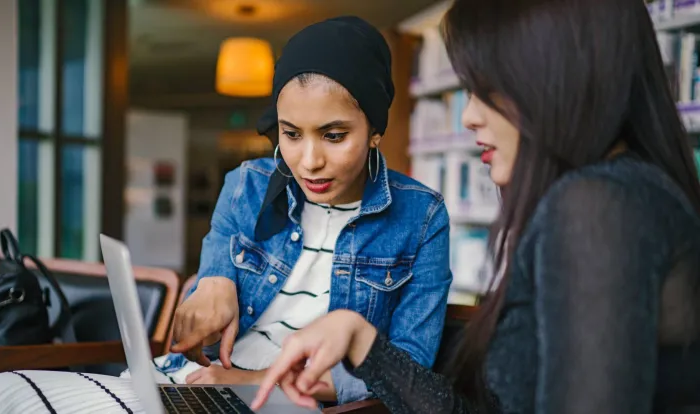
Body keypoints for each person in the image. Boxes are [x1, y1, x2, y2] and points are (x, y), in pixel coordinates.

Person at [251, 0, 700, 413]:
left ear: (556, 77)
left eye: (487, 90)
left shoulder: (599, 207)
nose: (468, 117)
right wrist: (361, 340)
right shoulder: (621, 195)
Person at [157, 15, 452, 406]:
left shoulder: (423, 217)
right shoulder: (247, 184)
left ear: (375, 131)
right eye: (291, 134)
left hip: (288, 401)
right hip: (196, 381)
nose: (309, 161)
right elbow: (210, 284)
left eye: (333, 136)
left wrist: (251, 380)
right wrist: (212, 283)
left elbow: (405, 371)